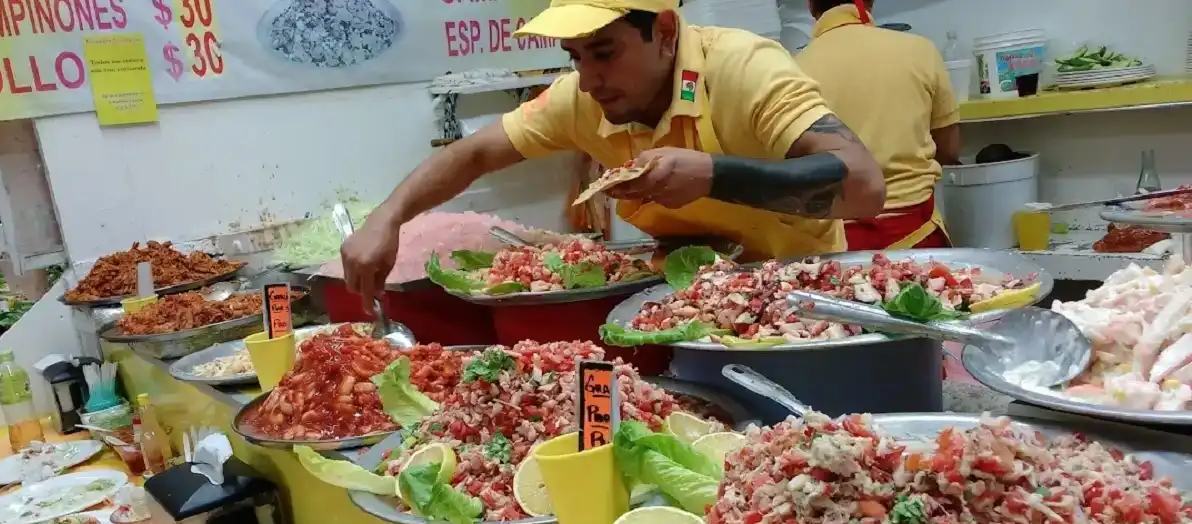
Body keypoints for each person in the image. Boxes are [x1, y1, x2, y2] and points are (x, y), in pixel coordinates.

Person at [341, 0, 886, 308]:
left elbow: (864, 186)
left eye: (604, 52)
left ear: (666, 32)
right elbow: (476, 153)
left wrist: (714, 174)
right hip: (686, 306)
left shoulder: (744, 70)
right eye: (575, 56)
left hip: (801, 298)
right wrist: (384, 220)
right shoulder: (581, 98)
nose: (589, 77)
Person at [796, 0, 961, 251]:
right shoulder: (920, 50)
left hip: (837, 252)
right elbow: (949, 149)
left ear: (810, 6)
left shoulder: (793, 70)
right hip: (918, 240)